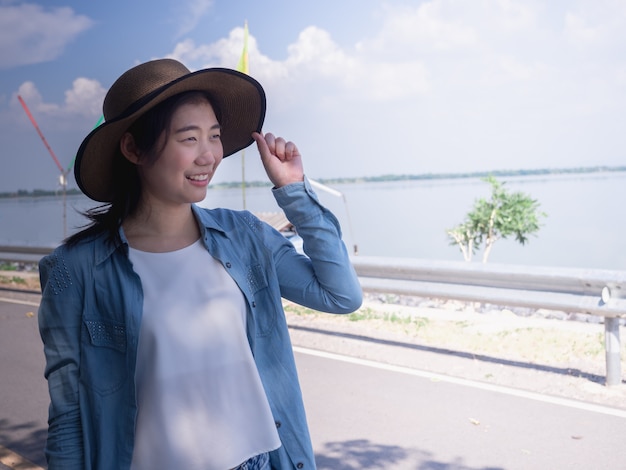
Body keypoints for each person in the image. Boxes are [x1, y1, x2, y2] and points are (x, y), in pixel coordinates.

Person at [38, 58, 362, 470]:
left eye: (214, 135)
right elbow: (68, 417)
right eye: (189, 139)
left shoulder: (245, 237)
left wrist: (294, 191)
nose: (209, 155)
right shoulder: (76, 270)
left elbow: (341, 295)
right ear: (134, 148)